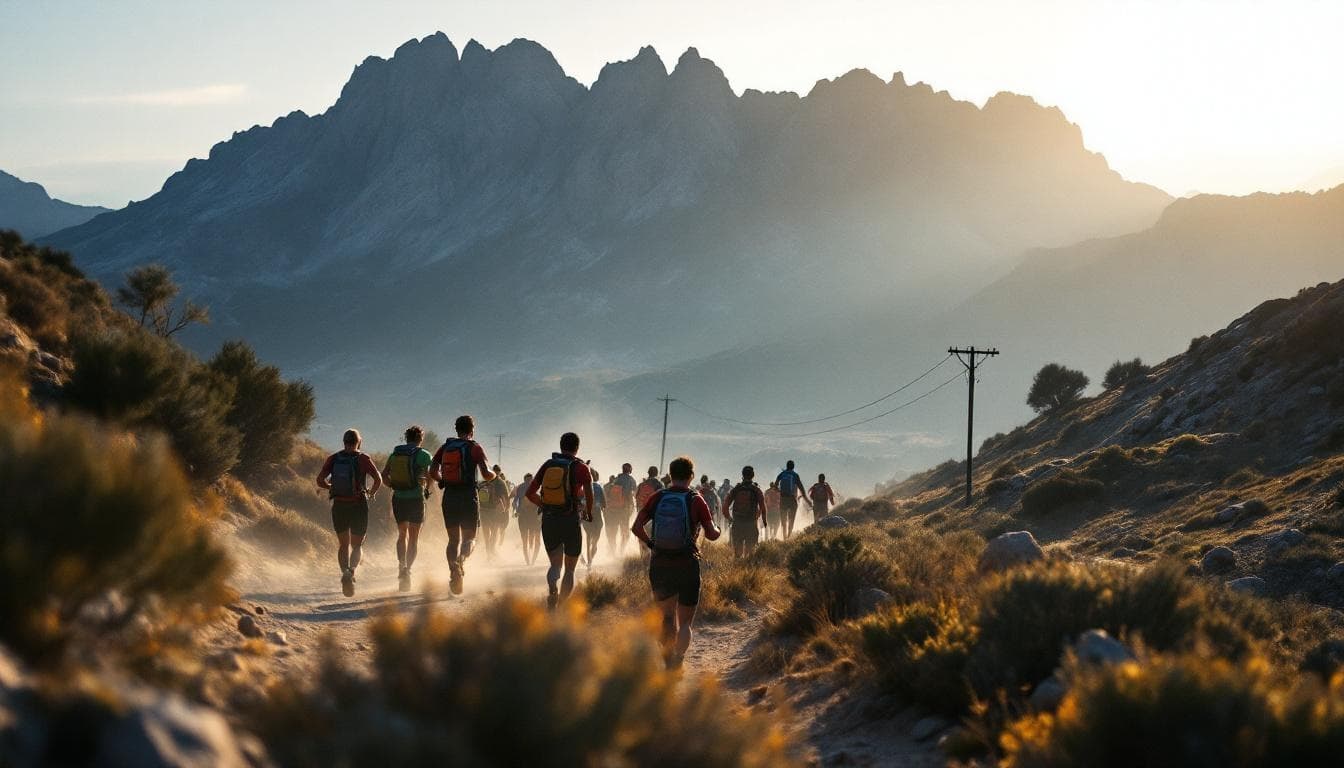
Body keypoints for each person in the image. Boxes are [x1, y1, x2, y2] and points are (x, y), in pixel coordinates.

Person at [632, 455, 721, 671]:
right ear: (691, 476)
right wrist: (716, 528)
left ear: (670, 475)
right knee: (685, 623)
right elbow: (711, 535)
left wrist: (652, 545)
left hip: (660, 563)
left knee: (667, 617)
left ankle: (666, 659)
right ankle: (678, 660)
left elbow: (636, 527)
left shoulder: (657, 497)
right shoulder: (696, 499)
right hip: (687, 563)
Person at [525, 432, 594, 609]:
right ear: (577, 448)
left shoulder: (548, 464)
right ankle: (561, 605)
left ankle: (552, 589)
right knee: (570, 569)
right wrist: (588, 512)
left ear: (561, 445)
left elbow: (529, 494)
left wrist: (545, 505)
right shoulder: (580, 467)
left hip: (549, 521)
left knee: (555, 565)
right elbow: (589, 493)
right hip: (570, 521)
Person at [430, 415, 495, 595]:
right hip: (468, 496)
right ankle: (461, 560)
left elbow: (432, 471)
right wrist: (494, 476)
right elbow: (485, 473)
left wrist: (442, 480)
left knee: (453, 540)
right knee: (470, 539)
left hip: (449, 496)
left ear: (456, 429)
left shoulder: (445, 447)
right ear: (472, 430)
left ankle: (453, 569)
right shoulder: (474, 447)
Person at [316, 429, 382, 597]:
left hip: (339, 505)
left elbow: (319, 480)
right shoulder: (363, 458)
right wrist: (371, 493)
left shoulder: (334, 458)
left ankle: (344, 570)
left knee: (343, 545)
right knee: (357, 545)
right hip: (358, 505)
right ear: (359, 442)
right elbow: (378, 479)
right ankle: (351, 571)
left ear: (344, 441)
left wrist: (331, 487)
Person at [381, 425, 432, 592]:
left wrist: (394, 486)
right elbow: (431, 474)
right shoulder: (424, 455)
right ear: (420, 439)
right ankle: (407, 570)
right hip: (416, 498)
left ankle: (401, 565)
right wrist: (427, 488)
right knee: (413, 537)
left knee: (401, 534)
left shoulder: (395, 454)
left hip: (399, 498)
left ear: (406, 438)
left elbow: (384, 475)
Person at [722, 466, 767, 559]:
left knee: (737, 553)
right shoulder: (756, 490)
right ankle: (746, 569)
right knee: (750, 552)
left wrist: (730, 519)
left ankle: (737, 569)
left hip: (737, 523)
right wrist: (764, 520)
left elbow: (725, 506)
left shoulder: (736, 489)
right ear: (753, 476)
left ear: (742, 475)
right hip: (751, 523)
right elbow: (763, 507)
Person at [478, 465, 510, 562]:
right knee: (494, 532)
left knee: (486, 533)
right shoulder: (501, 482)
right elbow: (506, 497)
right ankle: (491, 550)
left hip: (483, 509)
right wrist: (506, 509)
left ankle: (488, 552)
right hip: (494, 511)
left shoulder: (483, 482)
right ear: (499, 472)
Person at [608, 463, 639, 556]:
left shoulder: (616, 479)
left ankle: (613, 551)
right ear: (629, 470)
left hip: (613, 509)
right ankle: (621, 552)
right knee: (625, 533)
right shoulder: (631, 480)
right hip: (624, 509)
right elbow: (635, 493)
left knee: (614, 531)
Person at [775, 460, 810, 539]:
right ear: (793, 467)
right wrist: (807, 500)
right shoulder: (795, 475)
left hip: (783, 499)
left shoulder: (781, 474)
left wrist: (780, 492)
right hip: (791, 499)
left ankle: (784, 537)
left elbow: (775, 486)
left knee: (783, 521)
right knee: (791, 519)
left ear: (787, 466)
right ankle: (789, 536)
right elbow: (801, 489)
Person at [514, 472, 542, 565]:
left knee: (528, 540)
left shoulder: (524, 487)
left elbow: (515, 502)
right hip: (529, 516)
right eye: (528, 480)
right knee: (529, 540)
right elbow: (516, 502)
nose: (528, 482)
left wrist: (517, 510)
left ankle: (530, 561)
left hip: (529, 516)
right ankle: (530, 561)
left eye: (530, 480)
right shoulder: (534, 487)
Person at [583, 462, 606, 568]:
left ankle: (589, 561)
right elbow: (604, 504)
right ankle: (591, 558)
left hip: (586, 513)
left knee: (588, 537)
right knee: (595, 540)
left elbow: (579, 501)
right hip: (596, 514)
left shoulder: (582, 487)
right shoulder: (598, 487)